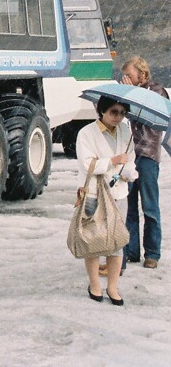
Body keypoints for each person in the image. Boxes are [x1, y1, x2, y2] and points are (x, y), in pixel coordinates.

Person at [76, 95, 137, 305]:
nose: (118, 117)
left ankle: (112, 286)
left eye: (122, 113)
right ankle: (94, 283)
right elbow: (87, 164)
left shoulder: (125, 132)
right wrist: (112, 161)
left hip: (119, 193)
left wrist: (128, 173)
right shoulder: (86, 133)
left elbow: (130, 161)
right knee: (93, 239)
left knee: (117, 240)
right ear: (101, 111)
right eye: (113, 112)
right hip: (94, 193)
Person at [120, 55, 166, 270]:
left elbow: (149, 114)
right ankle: (131, 250)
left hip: (147, 155)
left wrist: (133, 95)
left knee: (149, 206)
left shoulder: (157, 91)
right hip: (129, 156)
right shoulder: (127, 95)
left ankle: (152, 253)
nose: (126, 79)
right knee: (128, 206)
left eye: (130, 75)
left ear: (142, 74)